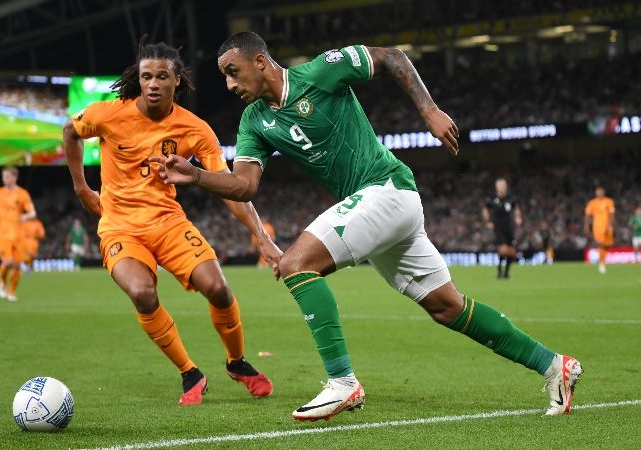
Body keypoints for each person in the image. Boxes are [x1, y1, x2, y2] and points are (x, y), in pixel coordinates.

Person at [152, 32, 582, 421]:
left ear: (260, 62)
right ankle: (554, 366)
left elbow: (392, 57)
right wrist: (197, 176)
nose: (229, 84)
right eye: (224, 76)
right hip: (378, 210)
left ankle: (342, 383)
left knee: (297, 264)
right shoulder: (254, 122)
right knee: (447, 307)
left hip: (387, 189)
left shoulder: (321, 71)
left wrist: (429, 111)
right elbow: (245, 185)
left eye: (233, 72)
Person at [62, 39, 279, 406]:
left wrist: (259, 235)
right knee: (143, 293)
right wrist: (82, 187)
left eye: (162, 76)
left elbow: (230, 187)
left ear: (176, 80)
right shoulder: (108, 115)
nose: (153, 83)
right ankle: (189, 372)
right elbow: (70, 133)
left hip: (168, 223)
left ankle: (237, 362)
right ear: (139, 79)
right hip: (120, 227)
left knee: (219, 288)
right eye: (147, 76)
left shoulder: (195, 130)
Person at [0, 166, 37, 301]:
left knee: (17, 265)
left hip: (19, 235)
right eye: (4, 176)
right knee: (7, 262)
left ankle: (11, 291)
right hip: (3, 234)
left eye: (8, 176)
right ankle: (3, 281)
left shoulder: (23, 194)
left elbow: (33, 212)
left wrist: (25, 217)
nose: (5, 179)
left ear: (15, 177)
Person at [481, 178, 522, 279]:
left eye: (502, 185)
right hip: (498, 228)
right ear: (496, 187)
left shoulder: (511, 198)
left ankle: (506, 272)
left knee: (509, 252)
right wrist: (488, 221)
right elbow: (485, 210)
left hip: (509, 227)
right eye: (499, 185)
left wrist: (518, 218)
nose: (501, 187)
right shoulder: (492, 198)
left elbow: (516, 209)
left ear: (506, 186)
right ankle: (500, 268)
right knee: (503, 250)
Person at [585, 186, 615, 274]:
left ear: (603, 193)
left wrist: (610, 225)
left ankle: (603, 261)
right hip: (597, 227)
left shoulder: (609, 201)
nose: (599, 193)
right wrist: (586, 226)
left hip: (607, 226)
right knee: (600, 244)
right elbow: (587, 215)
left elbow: (612, 214)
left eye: (600, 192)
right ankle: (602, 264)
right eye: (597, 192)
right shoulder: (592, 203)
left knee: (608, 245)